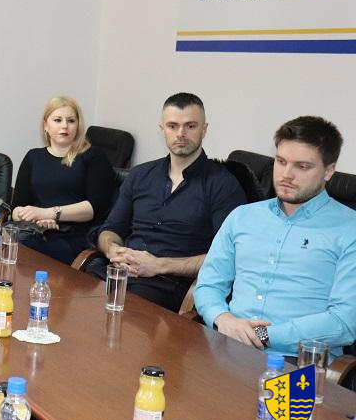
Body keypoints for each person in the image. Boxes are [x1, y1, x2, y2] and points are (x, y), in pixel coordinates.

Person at [195, 116, 356, 360]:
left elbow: (344, 322)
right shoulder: (242, 216)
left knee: (265, 391)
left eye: (302, 166)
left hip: (299, 364)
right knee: (163, 376)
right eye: (281, 162)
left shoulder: (349, 229)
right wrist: (223, 318)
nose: (286, 175)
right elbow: (208, 284)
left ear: (329, 170)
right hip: (226, 344)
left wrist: (261, 335)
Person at [87, 93, 246, 311]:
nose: (181, 134)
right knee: (72, 297)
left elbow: (227, 258)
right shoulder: (140, 175)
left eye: (190, 126)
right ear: (162, 129)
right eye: (173, 126)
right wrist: (112, 250)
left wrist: (159, 265)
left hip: (166, 286)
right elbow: (110, 229)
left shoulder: (223, 185)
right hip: (117, 273)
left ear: (204, 129)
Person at [10, 96, 113, 264]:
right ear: (46, 125)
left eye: (71, 121)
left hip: (74, 237)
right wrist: (33, 217)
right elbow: (16, 208)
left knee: (22, 248)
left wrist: (49, 214)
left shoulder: (93, 156)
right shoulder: (33, 157)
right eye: (57, 120)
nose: (64, 126)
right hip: (36, 231)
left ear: (78, 125)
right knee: (0, 241)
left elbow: (94, 207)